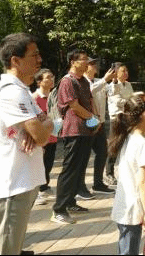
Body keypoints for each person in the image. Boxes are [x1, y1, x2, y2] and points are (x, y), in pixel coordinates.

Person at [0, 33, 54, 254]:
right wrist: (39, 129)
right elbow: (42, 136)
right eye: (34, 55)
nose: (39, 60)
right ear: (15, 60)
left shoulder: (21, 91)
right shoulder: (12, 93)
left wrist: (40, 127)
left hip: (21, 183)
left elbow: (48, 122)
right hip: (11, 186)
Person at [109, 92, 145, 255]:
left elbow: (132, 172)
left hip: (124, 205)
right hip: (132, 209)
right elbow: (142, 183)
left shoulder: (128, 136)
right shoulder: (142, 144)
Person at [51, 49, 100, 224]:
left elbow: (89, 102)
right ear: (73, 62)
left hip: (85, 130)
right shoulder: (67, 81)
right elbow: (74, 106)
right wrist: (92, 118)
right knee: (70, 169)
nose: (87, 63)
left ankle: (70, 202)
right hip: (73, 130)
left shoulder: (83, 81)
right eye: (84, 59)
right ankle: (59, 209)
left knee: (79, 169)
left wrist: (95, 119)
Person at [78, 58, 116, 196]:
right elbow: (90, 92)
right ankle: (80, 187)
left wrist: (115, 80)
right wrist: (105, 80)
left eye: (95, 63)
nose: (95, 66)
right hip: (88, 121)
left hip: (100, 121)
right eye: (91, 64)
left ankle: (98, 183)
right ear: (85, 67)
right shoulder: (82, 82)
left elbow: (112, 93)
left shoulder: (100, 81)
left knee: (102, 152)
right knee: (83, 155)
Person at [105, 63, 134, 185]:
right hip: (116, 118)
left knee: (127, 146)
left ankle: (127, 172)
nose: (126, 73)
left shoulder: (128, 84)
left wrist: (131, 102)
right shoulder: (111, 86)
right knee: (114, 146)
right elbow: (118, 101)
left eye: (126, 70)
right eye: (123, 71)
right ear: (115, 73)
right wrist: (131, 102)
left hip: (128, 118)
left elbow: (132, 98)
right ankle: (109, 173)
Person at [32, 68, 57, 205]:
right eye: (47, 77)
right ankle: (36, 192)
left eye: (52, 77)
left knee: (48, 163)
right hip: (41, 137)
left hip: (53, 135)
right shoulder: (34, 98)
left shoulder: (53, 97)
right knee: (39, 164)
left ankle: (44, 186)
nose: (51, 79)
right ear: (39, 82)